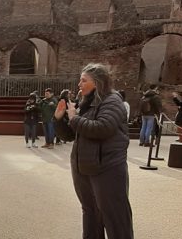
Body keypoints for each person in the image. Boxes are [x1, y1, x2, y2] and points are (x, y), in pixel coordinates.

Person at [59, 63, 133, 239]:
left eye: (84, 80)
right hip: (85, 168)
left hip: (107, 168)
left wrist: (74, 118)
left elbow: (103, 128)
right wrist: (58, 119)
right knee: (91, 213)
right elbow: (70, 135)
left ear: (97, 82)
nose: (79, 84)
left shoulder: (112, 101)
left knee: (115, 216)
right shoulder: (87, 102)